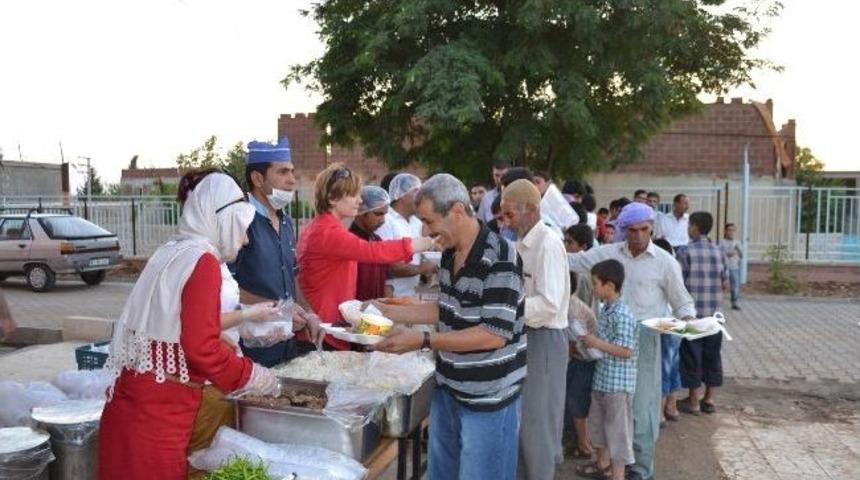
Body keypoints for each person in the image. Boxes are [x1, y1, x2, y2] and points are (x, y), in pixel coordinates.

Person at [98, 173, 280, 480]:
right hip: (159, 414)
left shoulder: (173, 250)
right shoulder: (203, 261)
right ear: (222, 219)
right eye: (241, 228)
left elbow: (169, 322)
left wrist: (220, 332)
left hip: (133, 400)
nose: (245, 239)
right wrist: (250, 375)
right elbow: (200, 349)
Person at [374, 173, 526, 480]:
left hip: (488, 398)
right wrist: (383, 311)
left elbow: (493, 335)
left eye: (429, 221)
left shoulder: (501, 257)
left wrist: (422, 340)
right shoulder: (449, 253)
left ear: (457, 211)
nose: (425, 231)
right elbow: (446, 309)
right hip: (448, 389)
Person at [568, 202, 696, 480]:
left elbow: (682, 302)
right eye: (631, 230)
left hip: (645, 338)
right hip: (608, 337)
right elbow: (574, 261)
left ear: (652, 228)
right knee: (607, 405)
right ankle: (606, 466)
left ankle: (640, 469)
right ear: (623, 229)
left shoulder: (665, 262)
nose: (638, 235)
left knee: (641, 408)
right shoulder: (609, 253)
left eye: (643, 229)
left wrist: (690, 323)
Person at [297, 164, 434, 350]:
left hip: (326, 324)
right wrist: (425, 243)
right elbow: (372, 251)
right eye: (353, 194)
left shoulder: (321, 227)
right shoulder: (327, 232)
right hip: (324, 329)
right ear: (332, 198)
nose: (360, 200)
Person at [499, 180, 570, 480]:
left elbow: (549, 304)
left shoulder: (548, 244)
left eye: (510, 214)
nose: (505, 222)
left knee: (538, 423)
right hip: (524, 336)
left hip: (545, 339)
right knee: (522, 420)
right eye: (503, 215)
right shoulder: (521, 242)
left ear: (530, 210)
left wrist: (505, 309)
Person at [229, 138, 322, 365]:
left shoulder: (286, 221)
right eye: (282, 172)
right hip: (249, 350)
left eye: (292, 171)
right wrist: (279, 310)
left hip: (285, 343)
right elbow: (226, 288)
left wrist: (308, 312)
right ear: (258, 179)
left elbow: (293, 274)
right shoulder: (240, 221)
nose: (292, 180)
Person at [577, 259, 639, 480]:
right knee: (599, 426)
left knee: (618, 433)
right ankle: (603, 465)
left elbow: (626, 351)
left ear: (610, 286)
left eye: (595, 283)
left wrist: (596, 343)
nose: (593, 288)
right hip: (603, 380)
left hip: (618, 386)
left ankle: (618, 475)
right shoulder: (607, 310)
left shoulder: (622, 314)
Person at [676, 212, 727, 416]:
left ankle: (693, 401)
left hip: (693, 315)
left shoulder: (685, 251)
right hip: (715, 315)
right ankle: (710, 399)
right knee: (712, 356)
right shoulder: (719, 251)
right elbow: (725, 282)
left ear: (695, 227)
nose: (688, 228)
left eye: (690, 225)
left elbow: (678, 283)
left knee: (692, 357)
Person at [377, 173, 437, 298]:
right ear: (402, 195)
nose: (421, 197)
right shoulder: (386, 221)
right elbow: (388, 266)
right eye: (416, 191)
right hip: (391, 297)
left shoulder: (416, 222)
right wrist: (421, 269)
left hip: (410, 295)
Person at [563, 273, 598, 462]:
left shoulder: (571, 310)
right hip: (580, 358)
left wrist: (570, 349)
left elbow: (579, 341)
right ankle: (578, 441)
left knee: (577, 401)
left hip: (586, 359)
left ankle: (584, 445)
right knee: (573, 399)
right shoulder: (571, 304)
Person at [350, 185, 394, 301]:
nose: (383, 220)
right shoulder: (348, 242)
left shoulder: (378, 241)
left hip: (376, 310)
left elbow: (388, 280)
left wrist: (388, 305)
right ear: (362, 211)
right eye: (378, 214)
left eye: (384, 214)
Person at [721, 223, 743, 310]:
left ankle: (734, 302)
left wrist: (738, 250)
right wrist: (727, 254)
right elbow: (718, 254)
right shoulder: (721, 242)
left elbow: (741, 255)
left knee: (735, 286)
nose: (731, 232)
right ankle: (718, 301)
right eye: (729, 230)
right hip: (724, 267)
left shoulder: (737, 242)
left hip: (734, 267)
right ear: (725, 231)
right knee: (722, 286)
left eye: (733, 230)